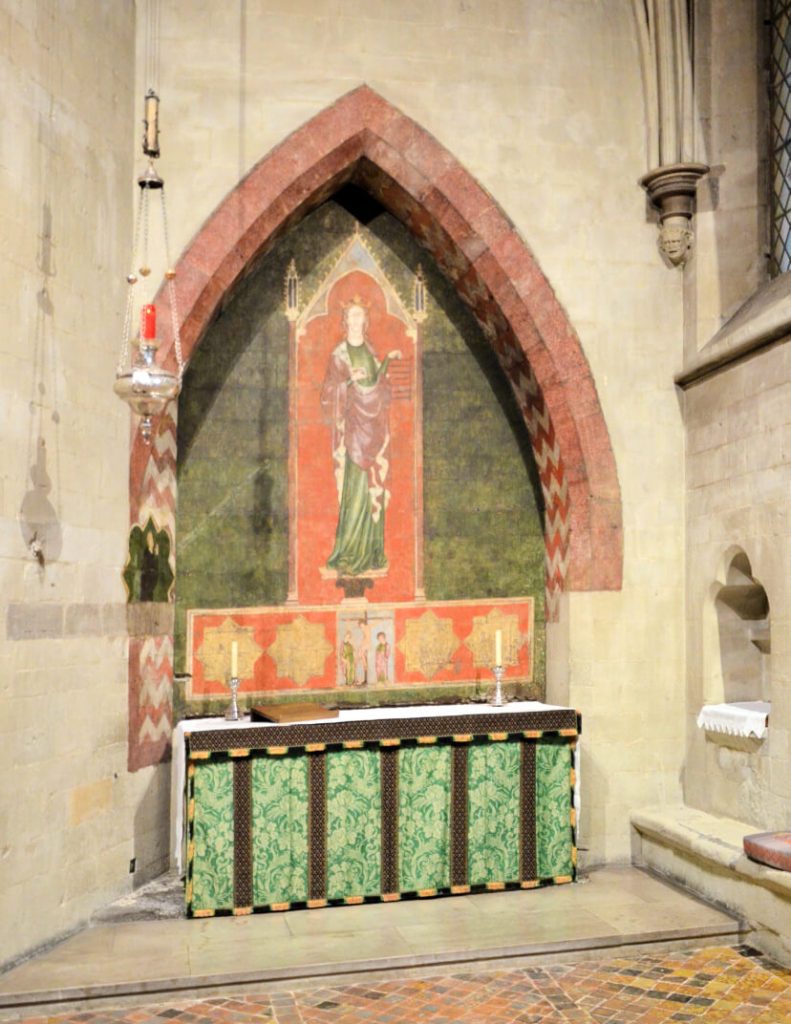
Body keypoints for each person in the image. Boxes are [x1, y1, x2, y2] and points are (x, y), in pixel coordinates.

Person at [321, 300, 402, 576]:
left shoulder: (369, 350)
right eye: (353, 317)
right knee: (356, 490)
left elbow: (380, 383)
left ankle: (371, 552)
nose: (357, 322)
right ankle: (350, 553)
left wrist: (387, 362)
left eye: (361, 317)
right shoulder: (339, 354)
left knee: (373, 489)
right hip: (353, 431)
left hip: (374, 428)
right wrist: (349, 383)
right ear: (345, 321)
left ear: (365, 322)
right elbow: (328, 394)